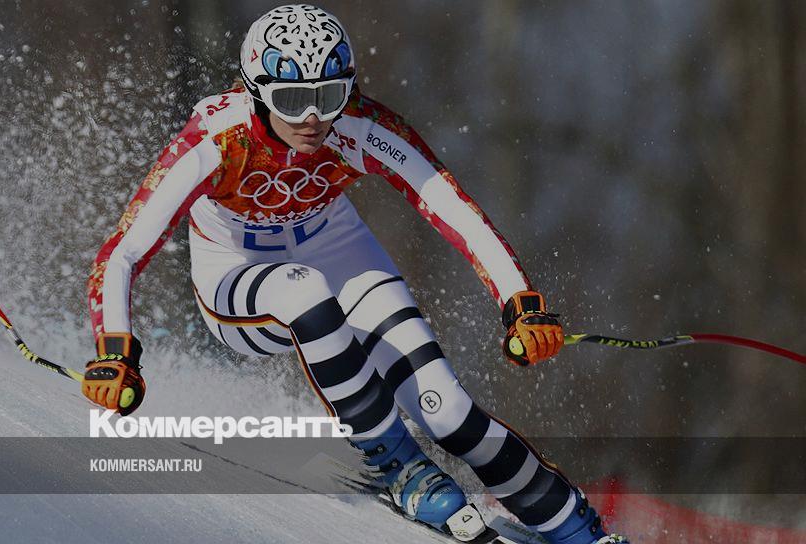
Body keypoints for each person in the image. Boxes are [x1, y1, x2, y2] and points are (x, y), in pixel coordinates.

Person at [82, 4, 626, 544]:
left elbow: (453, 209)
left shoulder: (364, 126)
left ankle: (576, 527)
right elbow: (123, 251)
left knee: (447, 410)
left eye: (330, 96)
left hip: (334, 246)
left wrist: (521, 304)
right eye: (291, 99)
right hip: (236, 272)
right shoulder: (217, 137)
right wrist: (115, 352)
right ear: (255, 92)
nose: (312, 118)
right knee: (301, 290)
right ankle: (399, 464)